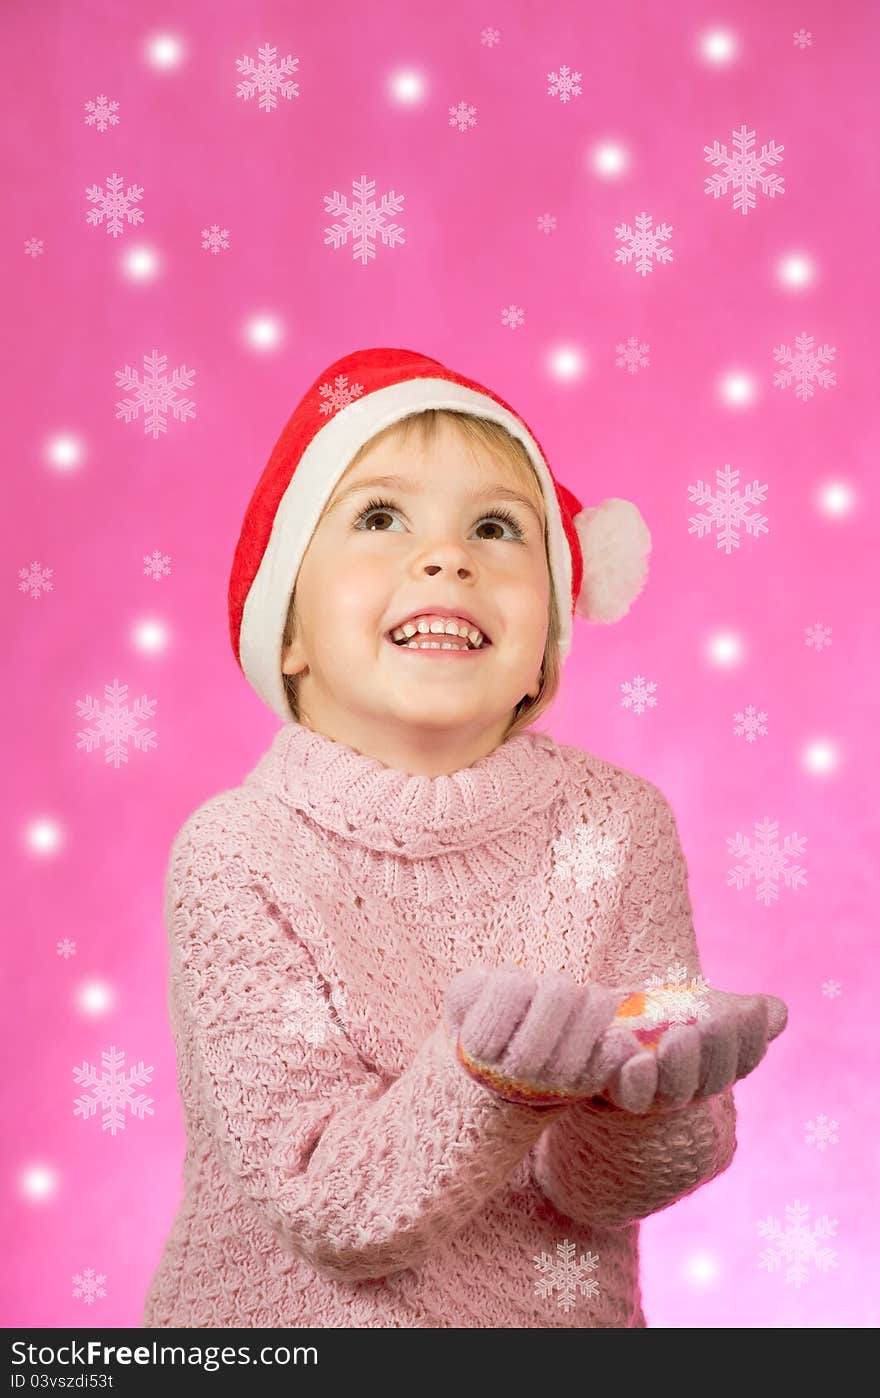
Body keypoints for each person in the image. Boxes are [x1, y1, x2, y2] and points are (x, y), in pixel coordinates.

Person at [141, 345, 787, 1329]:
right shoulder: (241, 850)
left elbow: (594, 1191)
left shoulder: (614, 828)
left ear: (544, 646)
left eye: (495, 527)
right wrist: (496, 1077)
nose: (447, 557)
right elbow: (329, 1203)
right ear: (288, 631)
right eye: (378, 516)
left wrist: (656, 1108)